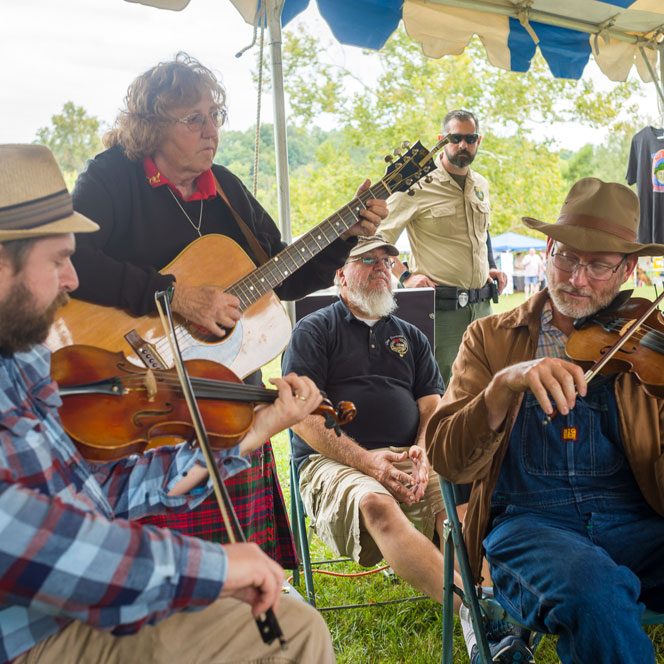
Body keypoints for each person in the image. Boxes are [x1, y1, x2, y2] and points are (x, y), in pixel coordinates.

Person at [0, 144, 336, 664]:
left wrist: (253, 429)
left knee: (292, 628)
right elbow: (22, 540)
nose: (73, 279)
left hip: (70, 612)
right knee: (291, 637)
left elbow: (104, 494)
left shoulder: (19, 363)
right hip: (30, 633)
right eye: (60, 260)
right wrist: (212, 568)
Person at [69, 53, 387, 568]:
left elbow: (288, 276)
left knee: (242, 556)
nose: (210, 129)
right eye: (194, 118)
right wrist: (172, 294)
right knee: (158, 560)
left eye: (215, 114)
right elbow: (76, 258)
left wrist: (347, 234)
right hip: (136, 385)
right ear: (150, 125)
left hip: (224, 391)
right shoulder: (111, 177)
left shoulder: (227, 190)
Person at [426, 177, 664, 664]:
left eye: (597, 265)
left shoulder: (647, 346)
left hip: (634, 519)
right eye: (567, 258)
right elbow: (446, 456)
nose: (576, 278)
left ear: (629, 270)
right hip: (529, 526)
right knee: (593, 590)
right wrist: (503, 384)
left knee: (600, 583)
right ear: (548, 248)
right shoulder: (490, 338)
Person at [380, 109, 507, 384]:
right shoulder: (416, 184)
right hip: (441, 314)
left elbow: (482, 233)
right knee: (439, 393)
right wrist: (406, 276)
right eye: (456, 138)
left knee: (484, 389)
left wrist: (492, 267)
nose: (463, 145)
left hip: (482, 309)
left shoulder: (480, 183)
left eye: (470, 138)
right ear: (441, 139)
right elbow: (378, 239)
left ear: (479, 141)